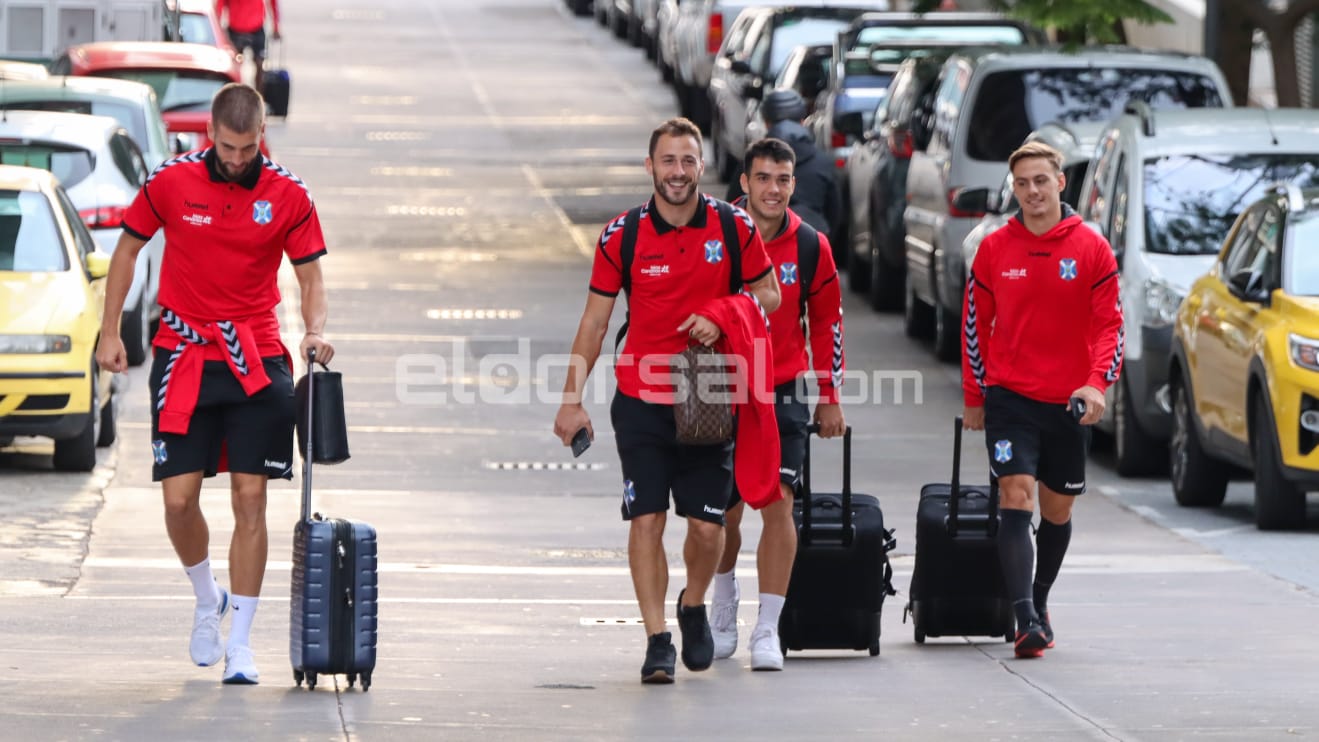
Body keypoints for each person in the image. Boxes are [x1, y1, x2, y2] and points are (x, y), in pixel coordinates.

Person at [95, 83, 331, 685]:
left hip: (256, 356)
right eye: (227, 148)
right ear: (211, 135)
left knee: (251, 499)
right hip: (184, 355)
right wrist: (110, 331)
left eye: (247, 149)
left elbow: (310, 278)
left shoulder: (288, 194)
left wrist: (313, 331)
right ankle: (209, 599)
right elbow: (126, 252)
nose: (237, 159)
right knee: (178, 501)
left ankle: (242, 646)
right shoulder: (172, 181)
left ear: (261, 136)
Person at [553, 117, 781, 684]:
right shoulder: (622, 235)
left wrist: (723, 314)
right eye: (668, 161)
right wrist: (571, 399)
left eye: (687, 161)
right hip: (642, 398)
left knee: (706, 528)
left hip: (710, 395)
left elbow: (770, 294)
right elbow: (595, 322)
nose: (677, 172)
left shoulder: (733, 226)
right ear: (650, 167)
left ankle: (693, 603)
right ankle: (657, 639)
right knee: (647, 518)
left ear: (701, 167)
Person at [961, 140, 1123, 659]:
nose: (1031, 191)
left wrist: (1096, 383)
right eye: (1022, 183)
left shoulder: (1091, 247)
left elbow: (1110, 325)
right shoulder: (994, 248)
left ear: (1060, 182)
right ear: (1014, 188)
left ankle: (1040, 598)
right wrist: (975, 395)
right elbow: (975, 325)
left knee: (1057, 508)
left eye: (1040, 181)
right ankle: (1025, 617)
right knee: (1015, 494)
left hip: (1070, 401)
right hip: (1010, 396)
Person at [712, 137, 845, 671]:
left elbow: (828, 323)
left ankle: (768, 627)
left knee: (779, 502)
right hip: (721, 386)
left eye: (783, 179)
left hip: (783, 387)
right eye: (763, 178)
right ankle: (723, 604)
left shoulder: (811, 245)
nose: (773, 189)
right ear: (744, 182)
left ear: (794, 183)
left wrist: (829, 397)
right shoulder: (716, 234)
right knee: (722, 510)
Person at [726, 89, 840, 239]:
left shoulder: (752, 161)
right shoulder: (824, 163)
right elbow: (836, 215)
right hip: (813, 240)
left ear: (767, 123)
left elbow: (732, 208)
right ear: (802, 122)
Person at [216, 0, 281, 91]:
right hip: (236, 29)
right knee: (235, 65)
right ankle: (235, 93)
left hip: (257, 27)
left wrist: (276, 27)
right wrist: (217, 28)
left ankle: (258, 95)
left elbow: (273, 2)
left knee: (260, 64)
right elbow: (220, 4)